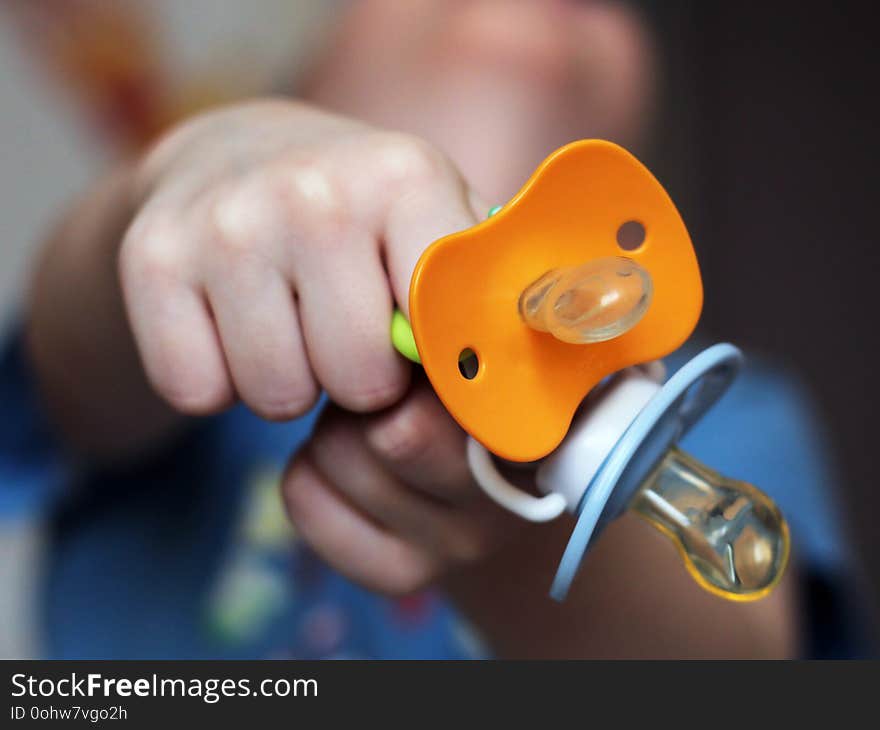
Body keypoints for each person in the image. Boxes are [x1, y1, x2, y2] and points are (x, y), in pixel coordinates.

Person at [0, 0, 860, 658]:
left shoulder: (738, 416)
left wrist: (527, 531)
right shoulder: (194, 389)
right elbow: (79, 358)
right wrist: (189, 168)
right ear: (309, 85)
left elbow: (742, 665)